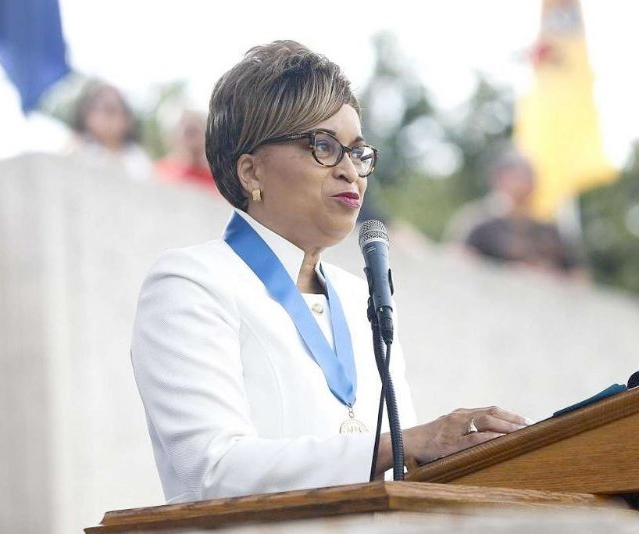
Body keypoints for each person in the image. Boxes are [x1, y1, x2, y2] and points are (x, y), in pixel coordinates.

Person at [131, 40, 530, 504]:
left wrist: (470, 449)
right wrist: (400, 445)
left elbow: (404, 475)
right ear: (251, 171)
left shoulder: (363, 294)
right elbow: (212, 470)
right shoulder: (191, 283)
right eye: (324, 146)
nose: (351, 172)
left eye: (358, 152)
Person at [462, 150, 586, 277]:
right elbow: (461, 265)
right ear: (499, 179)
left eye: (529, 176)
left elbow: (578, 278)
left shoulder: (551, 233)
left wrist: (548, 276)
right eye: (517, 176)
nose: (524, 183)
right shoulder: (481, 226)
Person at [68, 80, 154, 182]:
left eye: (112, 110)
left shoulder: (139, 158)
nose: (107, 118)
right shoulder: (77, 148)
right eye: (102, 108)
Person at [155, 107, 218, 193]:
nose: (194, 141)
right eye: (189, 133)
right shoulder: (161, 174)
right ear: (174, 136)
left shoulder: (217, 180)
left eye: (197, 132)